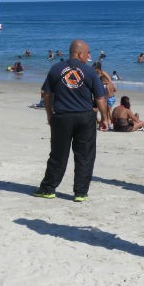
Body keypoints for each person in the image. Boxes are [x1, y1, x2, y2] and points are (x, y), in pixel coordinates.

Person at [33, 40, 108, 202]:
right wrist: (104, 118)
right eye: (87, 53)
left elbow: (46, 94)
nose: (89, 56)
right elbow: (100, 97)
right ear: (80, 54)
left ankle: (48, 188)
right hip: (85, 117)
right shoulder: (90, 72)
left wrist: (49, 113)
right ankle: (80, 192)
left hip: (62, 117)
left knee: (58, 154)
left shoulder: (56, 69)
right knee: (85, 155)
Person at [93, 61, 116, 127]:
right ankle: (100, 121)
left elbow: (110, 82)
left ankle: (107, 121)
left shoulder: (103, 73)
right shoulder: (95, 74)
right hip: (99, 91)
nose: (93, 70)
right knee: (99, 108)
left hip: (104, 92)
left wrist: (111, 90)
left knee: (105, 109)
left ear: (98, 68)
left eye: (94, 68)